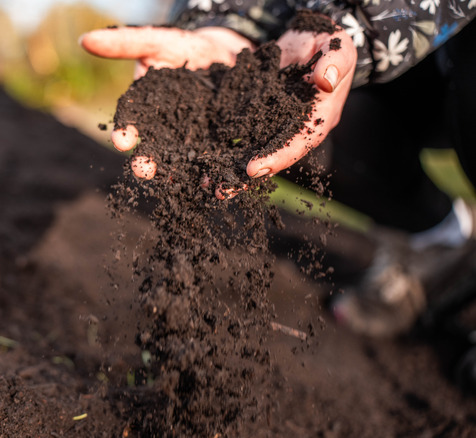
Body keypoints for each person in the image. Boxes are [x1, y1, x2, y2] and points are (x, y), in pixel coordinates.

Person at [80, 0, 476, 337]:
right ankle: (435, 238)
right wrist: (224, 23)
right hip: (376, 54)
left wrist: (357, 25)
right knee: (282, 120)